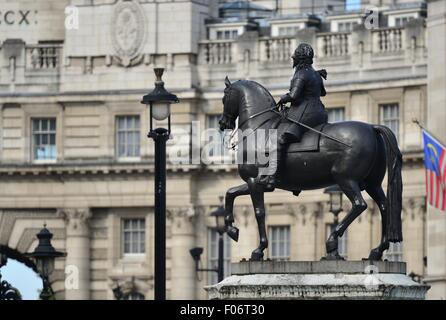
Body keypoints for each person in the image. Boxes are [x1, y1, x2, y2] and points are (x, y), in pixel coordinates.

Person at [258, 43, 328, 188]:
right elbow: (322, 93)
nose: (293, 60)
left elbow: (294, 95)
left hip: (305, 112)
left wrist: (284, 98)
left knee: (279, 138)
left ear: (299, 59)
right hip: (320, 113)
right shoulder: (316, 73)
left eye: (295, 58)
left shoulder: (301, 73)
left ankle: (271, 177)